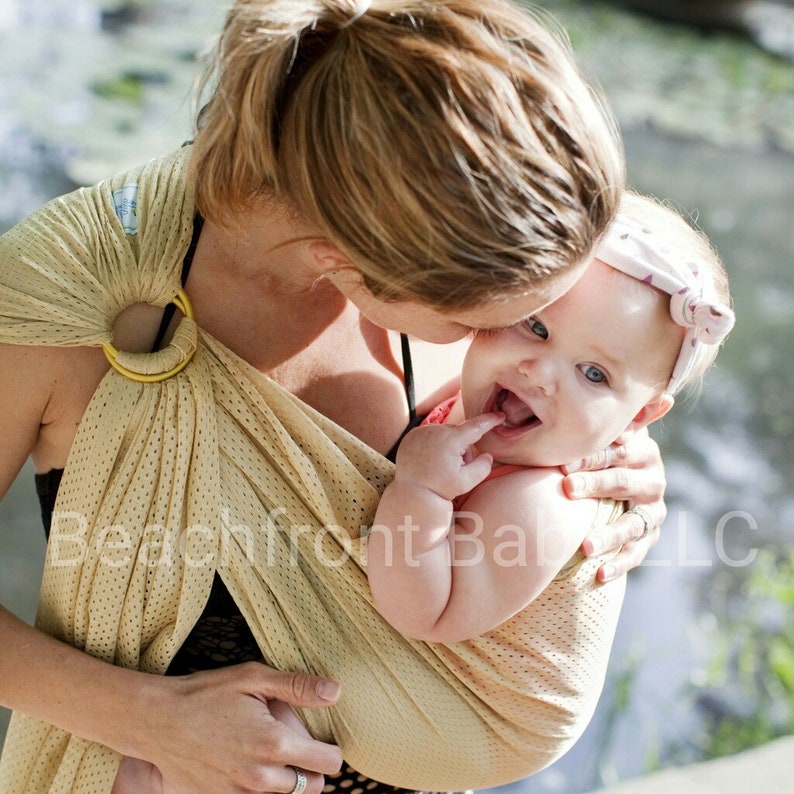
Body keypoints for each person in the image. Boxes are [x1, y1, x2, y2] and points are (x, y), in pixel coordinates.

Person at [0, 2, 668, 793]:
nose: (511, 346)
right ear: (337, 261)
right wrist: (146, 716)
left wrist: (599, 452)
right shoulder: (74, 305)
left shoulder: (458, 238)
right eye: (491, 320)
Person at [368, 191, 734, 649]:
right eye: (536, 327)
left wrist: (420, 493)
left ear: (638, 417)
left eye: (594, 374)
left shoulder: (539, 503)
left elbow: (425, 614)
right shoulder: (467, 392)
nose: (538, 373)